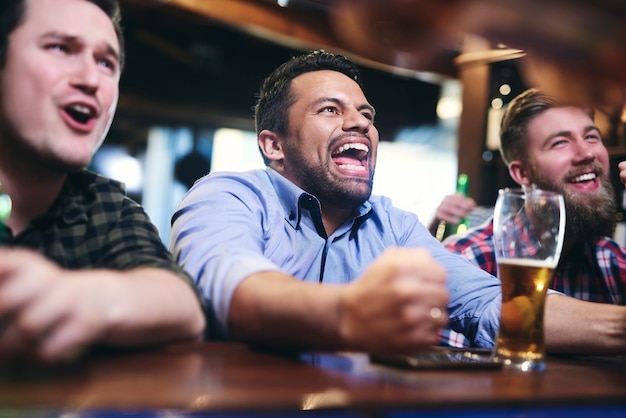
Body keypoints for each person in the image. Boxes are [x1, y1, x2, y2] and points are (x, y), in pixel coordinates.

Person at [172, 51, 626, 354]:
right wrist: (349, 313)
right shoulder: (229, 194)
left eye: (366, 114)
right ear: (274, 145)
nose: (360, 124)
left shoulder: (395, 226)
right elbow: (226, 282)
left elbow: (495, 304)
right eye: (330, 109)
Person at [0, 0, 205, 363]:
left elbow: (183, 305)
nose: (91, 80)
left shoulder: (105, 207)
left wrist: (84, 299)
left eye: (105, 63)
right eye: (60, 48)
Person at [441, 88, 626, 348]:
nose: (587, 153)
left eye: (592, 136)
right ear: (522, 173)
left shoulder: (613, 262)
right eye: (560, 142)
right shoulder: (467, 260)